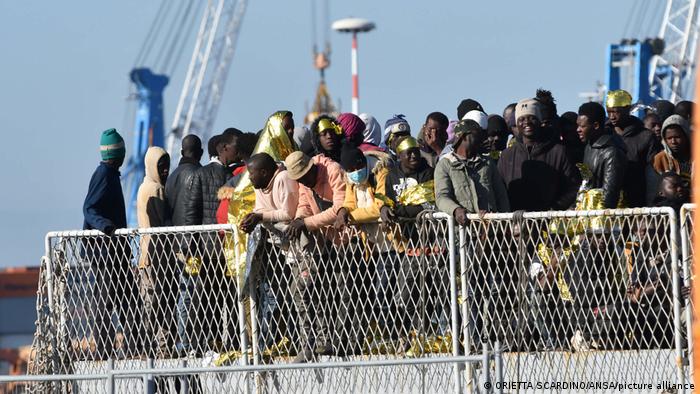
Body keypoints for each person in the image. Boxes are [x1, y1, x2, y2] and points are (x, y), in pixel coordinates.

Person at [283, 151, 346, 361]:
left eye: (304, 177)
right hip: (327, 242)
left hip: (350, 240)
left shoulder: (333, 170)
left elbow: (339, 206)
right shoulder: (304, 182)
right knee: (321, 291)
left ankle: (343, 342)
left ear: (311, 168)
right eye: (298, 179)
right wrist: (299, 219)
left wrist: (306, 223)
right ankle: (322, 341)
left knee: (346, 291)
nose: (302, 182)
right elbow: (304, 204)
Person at [82, 128, 139, 359]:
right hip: (106, 253)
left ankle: (135, 347)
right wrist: (106, 227)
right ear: (119, 153)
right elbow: (89, 208)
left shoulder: (110, 174)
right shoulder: (104, 174)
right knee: (108, 303)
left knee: (129, 302)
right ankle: (106, 352)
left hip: (115, 251)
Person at [498, 99, 581, 211]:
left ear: (540, 121)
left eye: (532, 117)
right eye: (521, 119)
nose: (527, 122)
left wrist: (555, 208)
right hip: (516, 225)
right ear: (517, 124)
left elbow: (573, 187)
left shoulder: (559, 151)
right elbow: (499, 190)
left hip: (550, 223)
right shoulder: (506, 156)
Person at [164, 135, 203, 357]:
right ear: (200, 153)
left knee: (183, 293)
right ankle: (188, 342)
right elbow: (193, 211)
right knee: (191, 294)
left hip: (175, 243)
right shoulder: (197, 174)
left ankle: (182, 342)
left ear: (181, 152)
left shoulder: (171, 178)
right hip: (192, 244)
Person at [136, 146, 173, 358]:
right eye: (161, 166)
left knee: (148, 303)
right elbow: (163, 223)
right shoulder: (157, 190)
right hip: (159, 254)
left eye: (167, 165)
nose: (166, 170)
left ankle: (146, 347)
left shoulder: (143, 186)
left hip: (144, 252)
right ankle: (163, 347)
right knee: (163, 302)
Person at [435, 119, 510, 225]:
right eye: (478, 135)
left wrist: (505, 222)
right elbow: (441, 197)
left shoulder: (487, 163)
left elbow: (501, 196)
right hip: (462, 232)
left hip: (491, 231)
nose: (483, 139)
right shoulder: (445, 164)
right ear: (464, 137)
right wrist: (456, 210)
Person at [605, 90, 660, 207]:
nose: (611, 116)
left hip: (636, 202)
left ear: (627, 109)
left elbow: (653, 175)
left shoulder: (645, 137)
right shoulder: (604, 135)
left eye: (615, 112)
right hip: (607, 203)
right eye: (609, 112)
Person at [577, 102, 627, 208]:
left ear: (596, 125)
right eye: (578, 125)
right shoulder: (589, 146)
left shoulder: (612, 152)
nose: (578, 130)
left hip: (604, 216)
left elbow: (610, 195)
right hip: (589, 211)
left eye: (582, 126)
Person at [652, 114, 692, 181]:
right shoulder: (660, 159)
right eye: (669, 138)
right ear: (664, 139)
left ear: (686, 136)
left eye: (677, 137)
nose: (673, 142)